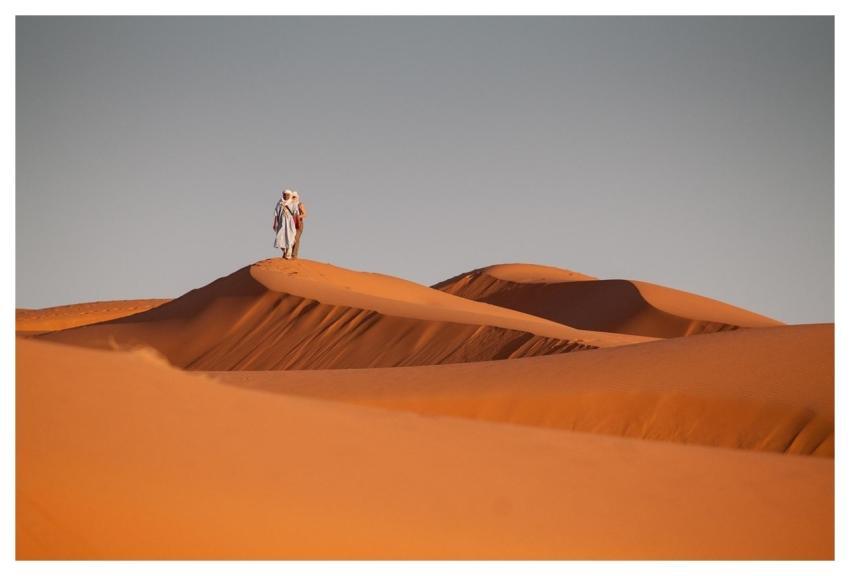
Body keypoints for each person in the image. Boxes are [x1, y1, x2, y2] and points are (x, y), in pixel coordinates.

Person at [272, 189, 299, 259]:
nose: (285, 196)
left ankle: (288, 253)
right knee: (279, 237)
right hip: (281, 222)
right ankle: (285, 251)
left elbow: (296, 214)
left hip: (290, 222)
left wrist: (297, 223)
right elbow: (276, 214)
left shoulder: (293, 203)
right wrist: (275, 223)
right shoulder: (279, 203)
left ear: (290, 195)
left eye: (287, 195)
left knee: (290, 237)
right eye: (284, 194)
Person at [291, 190, 307, 258]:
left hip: (299, 223)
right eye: (292, 197)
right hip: (291, 224)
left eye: (294, 197)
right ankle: (289, 254)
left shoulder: (300, 204)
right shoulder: (290, 205)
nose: (293, 198)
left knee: (296, 238)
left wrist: (297, 217)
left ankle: (294, 255)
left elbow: (305, 214)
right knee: (290, 238)